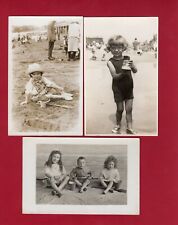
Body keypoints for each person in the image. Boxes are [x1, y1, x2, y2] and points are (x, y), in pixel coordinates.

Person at [107, 35, 137, 134]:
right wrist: (123, 72)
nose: (116, 50)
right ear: (110, 49)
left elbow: (135, 71)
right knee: (120, 109)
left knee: (129, 109)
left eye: (119, 47)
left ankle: (130, 127)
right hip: (118, 88)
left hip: (129, 88)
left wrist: (132, 66)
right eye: (113, 48)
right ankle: (118, 124)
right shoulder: (110, 62)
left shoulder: (127, 58)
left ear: (123, 48)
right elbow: (114, 76)